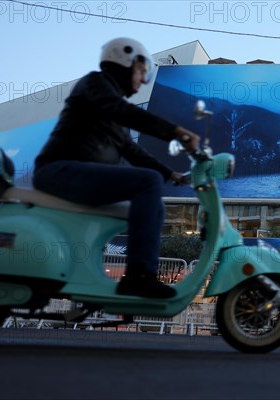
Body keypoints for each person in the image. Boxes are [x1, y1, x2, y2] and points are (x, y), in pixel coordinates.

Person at [32, 38, 200, 299]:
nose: (143, 80)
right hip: (58, 171)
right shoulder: (95, 84)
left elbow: (133, 151)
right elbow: (120, 110)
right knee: (148, 182)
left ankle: (138, 273)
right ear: (125, 61)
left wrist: (171, 175)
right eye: (142, 72)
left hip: (77, 176)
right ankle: (138, 276)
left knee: (156, 201)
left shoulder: (113, 108)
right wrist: (176, 132)